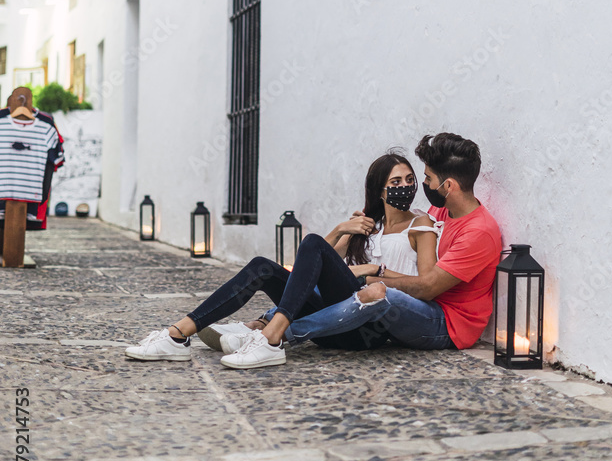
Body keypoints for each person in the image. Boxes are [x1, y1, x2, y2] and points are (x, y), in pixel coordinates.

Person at [217, 131, 502, 369]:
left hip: (446, 325)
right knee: (341, 281)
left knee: (377, 293)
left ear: (448, 186)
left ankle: (274, 336)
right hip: (424, 308)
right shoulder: (442, 213)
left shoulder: (478, 232)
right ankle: (265, 324)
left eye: (427, 178)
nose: (422, 184)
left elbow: (428, 288)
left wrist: (371, 277)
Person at [124, 152, 438, 365]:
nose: (405, 188)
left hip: (365, 328)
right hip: (330, 323)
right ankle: (178, 334)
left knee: (314, 246)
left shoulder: (420, 225)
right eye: (396, 183)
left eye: (410, 180)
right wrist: (342, 228)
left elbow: (426, 286)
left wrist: (375, 272)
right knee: (263, 266)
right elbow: (313, 260)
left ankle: (271, 336)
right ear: (379, 189)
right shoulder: (369, 226)